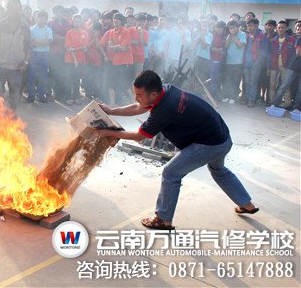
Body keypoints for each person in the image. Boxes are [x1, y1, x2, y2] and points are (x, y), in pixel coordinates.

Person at [96, 70, 259, 229]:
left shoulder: (164, 109)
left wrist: (108, 132)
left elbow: (139, 136)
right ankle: (247, 205)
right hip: (223, 137)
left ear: (153, 94)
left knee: (171, 173)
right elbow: (139, 107)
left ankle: (163, 219)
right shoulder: (166, 89)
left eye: (139, 95)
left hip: (209, 144)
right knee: (219, 170)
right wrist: (111, 111)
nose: (136, 98)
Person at [0, 0, 31, 112]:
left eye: (17, 8)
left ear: (20, 9)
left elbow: (28, 47)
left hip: (16, 68)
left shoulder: (25, 28)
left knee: (14, 96)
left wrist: (26, 62)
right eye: (11, 8)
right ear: (8, 9)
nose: (14, 11)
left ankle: (11, 120)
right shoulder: (0, 24)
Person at [271, 20, 301, 110]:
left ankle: (296, 107)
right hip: (294, 67)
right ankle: (275, 103)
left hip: (294, 67)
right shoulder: (299, 39)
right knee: (284, 86)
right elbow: (298, 53)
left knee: (300, 90)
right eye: (297, 27)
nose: (299, 29)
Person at [27, 10, 53, 103]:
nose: (43, 20)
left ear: (46, 19)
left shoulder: (48, 30)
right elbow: (31, 43)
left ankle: (42, 96)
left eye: (45, 18)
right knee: (31, 76)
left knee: (43, 76)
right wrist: (42, 42)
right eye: (41, 17)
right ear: (37, 18)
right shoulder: (31, 29)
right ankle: (31, 96)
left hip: (44, 55)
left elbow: (48, 42)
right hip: (34, 55)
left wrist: (37, 42)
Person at [222, 20, 246, 104]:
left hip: (238, 62)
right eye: (230, 28)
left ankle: (233, 97)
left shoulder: (242, 34)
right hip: (229, 61)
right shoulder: (229, 35)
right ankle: (226, 96)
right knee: (228, 80)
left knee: (236, 80)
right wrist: (229, 37)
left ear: (237, 27)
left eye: (233, 28)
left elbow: (240, 45)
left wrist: (234, 36)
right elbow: (226, 46)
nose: (231, 29)